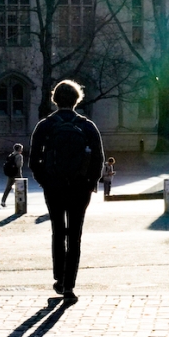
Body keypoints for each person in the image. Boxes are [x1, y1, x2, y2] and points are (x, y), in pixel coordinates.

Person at [29, 80, 104, 301]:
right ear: (76, 100)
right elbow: (98, 158)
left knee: (58, 231)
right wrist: (90, 183)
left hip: (55, 186)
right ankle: (70, 284)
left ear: (55, 99)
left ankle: (59, 279)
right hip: (80, 188)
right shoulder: (87, 125)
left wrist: (46, 181)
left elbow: (34, 160)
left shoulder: (45, 125)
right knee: (75, 235)